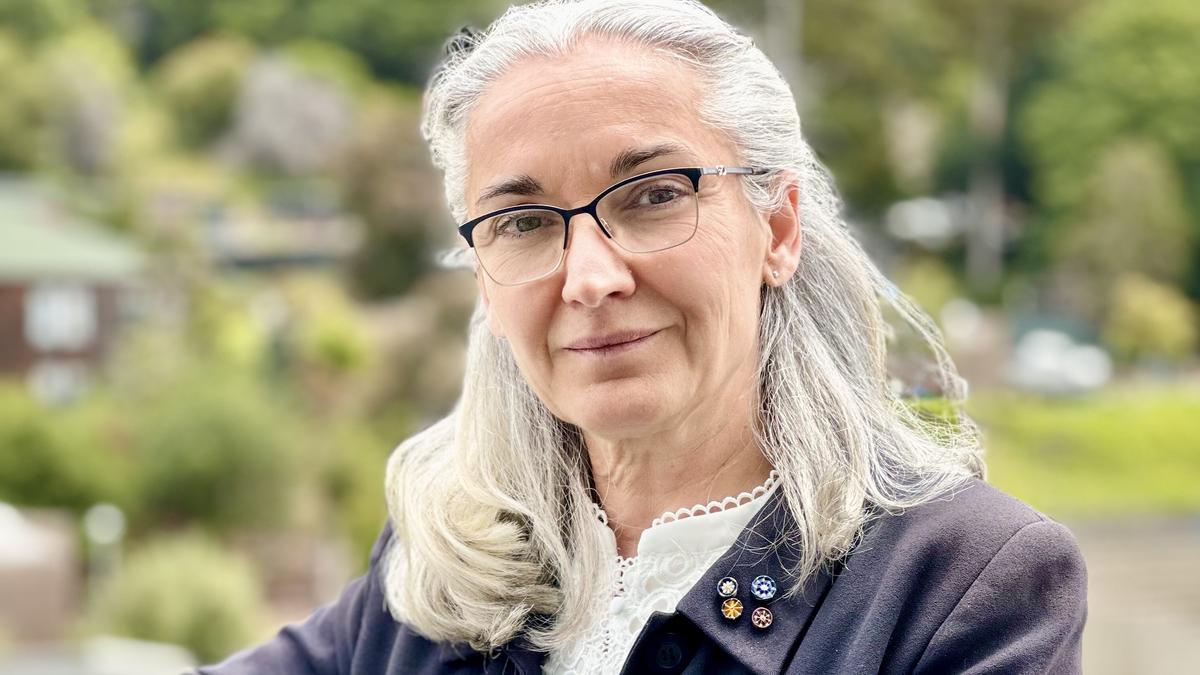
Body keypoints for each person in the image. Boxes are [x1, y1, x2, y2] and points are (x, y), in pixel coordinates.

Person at [198, 0, 1087, 673]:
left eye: (655, 195)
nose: (589, 277)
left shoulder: (962, 584)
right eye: (523, 222)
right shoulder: (448, 562)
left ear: (777, 228)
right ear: (481, 273)